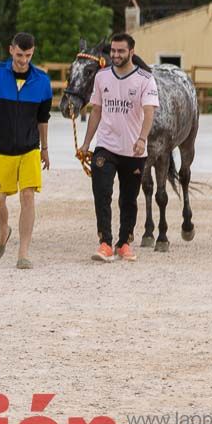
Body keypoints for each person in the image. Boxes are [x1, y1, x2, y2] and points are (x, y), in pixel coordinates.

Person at [0, 32, 52, 270]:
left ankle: (23, 253)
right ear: (10, 49)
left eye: (27, 55)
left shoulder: (42, 82)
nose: (23, 60)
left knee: (28, 196)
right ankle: (4, 230)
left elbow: (43, 119)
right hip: (2, 149)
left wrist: (44, 148)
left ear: (32, 52)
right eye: (19, 54)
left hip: (29, 149)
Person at [75, 33, 158, 262]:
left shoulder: (145, 79)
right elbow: (96, 111)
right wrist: (86, 142)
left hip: (133, 150)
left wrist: (142, 139)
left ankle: (124, 243)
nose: (116, 55)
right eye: (113, 51)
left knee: (129, 199)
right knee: (102, 192)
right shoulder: (102, 77)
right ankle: (105, 243)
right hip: (106, 146)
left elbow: (149, 112)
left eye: (121, 51)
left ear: (131, 52)